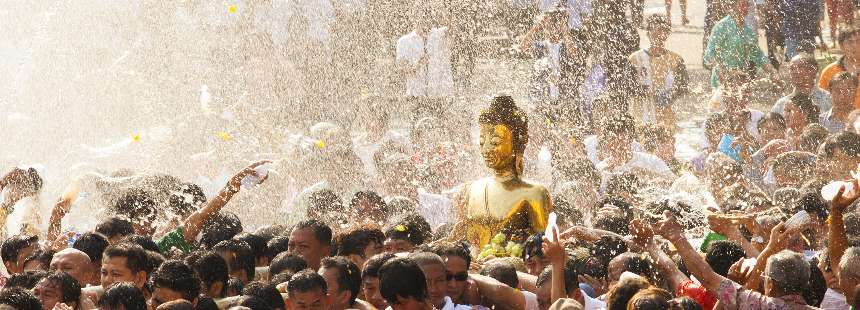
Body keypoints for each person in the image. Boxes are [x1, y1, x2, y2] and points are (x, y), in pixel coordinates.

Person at [156, 161, 269, 254]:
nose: (204, 222)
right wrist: (232, 186)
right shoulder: (170, 242)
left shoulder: (159, 240)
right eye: (203, 208)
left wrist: (236, 184)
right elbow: (201, 217)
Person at [703, 0, 780, 89]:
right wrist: (718, 68)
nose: (745, 8)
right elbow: (709, 54)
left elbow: (758, 55)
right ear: (732, 6)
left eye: (747, 5)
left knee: (739, 100)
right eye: (742, 5)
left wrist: (773, 72)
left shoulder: (747, 31)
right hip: (721, 78)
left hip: (740, 78)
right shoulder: (722, 26)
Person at [395, 5, 454, 120]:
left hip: (440, 96)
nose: (423, 19)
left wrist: (443, 6)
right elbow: (401, 69)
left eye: (426, 15)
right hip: (416, 96)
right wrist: (417, 65)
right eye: (419, 15)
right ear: (413, 17)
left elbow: (453, 25)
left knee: (440, 132)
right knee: (416, 131)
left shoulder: (440, 35)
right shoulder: (404, 41)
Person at [629, 13, 688, 128]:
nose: (658, 34)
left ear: (667, 34)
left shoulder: (676, 59)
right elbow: (627, 85)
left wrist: (669, 95)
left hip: (665, 117)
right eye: (653, 30)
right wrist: (642, 90)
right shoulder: (635, 58)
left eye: (661, 30)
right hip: (641, 116)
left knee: (665, 144)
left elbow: (683, 86)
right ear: (648, 33)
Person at [819, 26, 860, 109]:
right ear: (841, 46)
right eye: (850, 42)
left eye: (858, 41)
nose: (855, 45)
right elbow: (822, 100)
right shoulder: (829, 71)